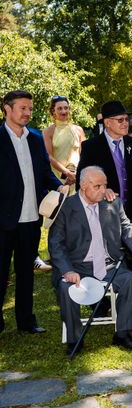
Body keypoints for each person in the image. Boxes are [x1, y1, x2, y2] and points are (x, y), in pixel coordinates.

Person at [48, 166, 132, 354]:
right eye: (97, 186)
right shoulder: (66, 208)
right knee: (66, 287)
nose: (102, 190)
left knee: (130, 279)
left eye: (104, 185)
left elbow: (127, 228)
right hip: (76, 266)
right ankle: (74, 339)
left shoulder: (112, 203)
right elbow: (56, 245)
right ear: (82, 186)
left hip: (109, 264)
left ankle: (122, 333)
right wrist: (67, 270)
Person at [0, 90, 63, 334]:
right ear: (7, 108)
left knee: (26, 272)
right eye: (22, 108)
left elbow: (45, 174)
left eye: (30, 108)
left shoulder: (36, 138)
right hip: (3, 220)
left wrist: (59, 187)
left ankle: (26, 322)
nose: (27, 113)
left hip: (31, 219)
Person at [76, 100, 132, 226]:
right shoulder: (91, 147)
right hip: (103, 213)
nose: (125, 123)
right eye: (120, 120)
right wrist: (101, 191)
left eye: (126, 119)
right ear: (107, 122)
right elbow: (81, 181)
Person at [43, 95, 85, 192]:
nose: (64, 111)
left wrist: (77, 174)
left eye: (66, 108)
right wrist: (66, 172)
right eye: (60, 108)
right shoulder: (48, 131)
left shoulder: (78, 130)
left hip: (77, 178)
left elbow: (85, 154)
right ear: (53, 111)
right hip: (59, 179)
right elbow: (49, 156)